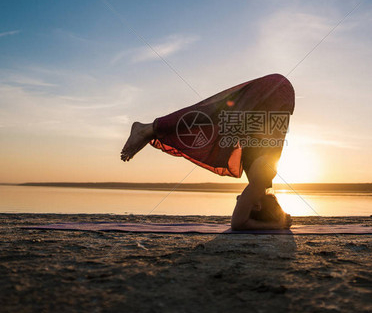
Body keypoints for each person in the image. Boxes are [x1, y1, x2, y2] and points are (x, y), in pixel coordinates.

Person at [121, 73, 295, 230]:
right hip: (278, 92)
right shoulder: (260, 179)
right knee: (214, 113)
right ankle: (149, 129)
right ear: (257, 206)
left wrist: (278, 220)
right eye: (244, 201)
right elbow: (238, 223)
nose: (239, 199)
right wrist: (276, 224)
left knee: (216, 119)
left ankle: (150, 130)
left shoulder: (261, 177)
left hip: (278, 94)